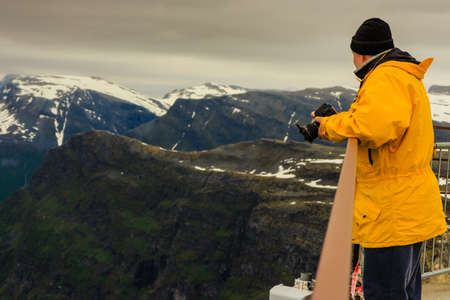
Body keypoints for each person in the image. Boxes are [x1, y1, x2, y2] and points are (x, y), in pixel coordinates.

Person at [312, 18, 447, 300]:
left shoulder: (385, 77)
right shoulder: (403, 75)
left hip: (390, 211)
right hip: (406, 206)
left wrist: (326, 126)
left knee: (385, 293)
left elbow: (372, 127)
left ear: (360, 53)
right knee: (404, 291)